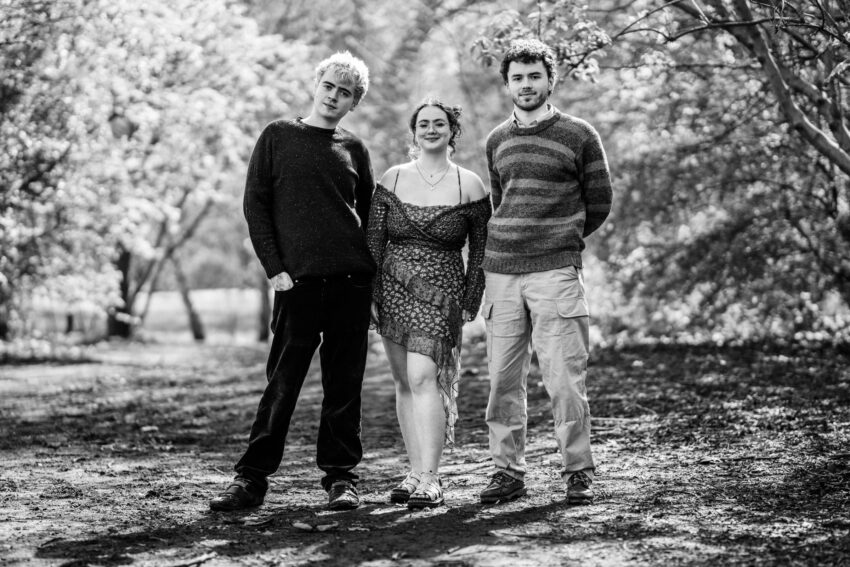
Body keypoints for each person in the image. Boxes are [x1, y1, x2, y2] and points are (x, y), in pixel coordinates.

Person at [210, 51, 376, 512]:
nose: (334, 96)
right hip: (296, 283)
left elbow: (369, 218)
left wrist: (373, 279)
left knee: (344, 385)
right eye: (329, 86)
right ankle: (251, 480)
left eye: (345, 93)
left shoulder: (355, 149)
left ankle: (341, 478)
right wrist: (274, 268)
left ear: (354, 102)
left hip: (350, 284)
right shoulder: (278, 135)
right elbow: (256, 204)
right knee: (282, 384)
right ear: (316, 84)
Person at [479, 39, 613, 505]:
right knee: (502, 381)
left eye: (534, 76)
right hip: (501, 272)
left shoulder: (579, 134)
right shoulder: (497, 139)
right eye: (517, 77)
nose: (526, 84)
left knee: (564, 379)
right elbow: (500, 201)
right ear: (507, 84)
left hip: (555, 270)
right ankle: (506, 472)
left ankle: (578, 470)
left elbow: (600, 201)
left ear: (550, 80)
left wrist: (563, 237)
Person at [367, 97, 491, 509]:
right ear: (414, 132)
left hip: (442, 293)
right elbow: (374, 242)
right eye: (424, 124)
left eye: (440, 123)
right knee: (404, 382)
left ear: (452, 131)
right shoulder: (392, 178)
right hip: (392, 289)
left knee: (423, 378)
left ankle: (433, 478)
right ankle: (415, 471)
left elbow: (481, 250)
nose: (431, 129)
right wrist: (370, 294)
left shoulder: (470, 184)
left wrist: (472, 298)